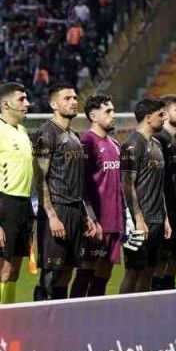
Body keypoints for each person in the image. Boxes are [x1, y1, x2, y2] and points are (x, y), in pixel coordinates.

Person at [32, 85, 101, 300]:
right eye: (67, 98)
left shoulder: (74, 136)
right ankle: (41, 316)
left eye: (75, 98)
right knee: (51, 274)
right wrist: (52, 216)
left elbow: (79, 181)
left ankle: (59, 317)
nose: (73, 101)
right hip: (57, 210)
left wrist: (87, 215)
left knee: (67, 273)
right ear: (54, 104)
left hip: (75, 212)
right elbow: (39, 177)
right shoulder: (47, 133)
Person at [0, 83, 30, 306]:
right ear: (5, 104)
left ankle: (7, 317)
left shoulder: (23, 131)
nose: (27, 103)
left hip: (24, 204)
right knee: (2, 269)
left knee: (14, 270)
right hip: (4, 203)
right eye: (21, 99)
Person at [70, 95, 122, 297]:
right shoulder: (87, 142)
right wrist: (91, 218)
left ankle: (94, 313)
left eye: (113, 110)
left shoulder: (115, 144)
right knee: (86, 272)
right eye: (108, 111)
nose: (113, 115)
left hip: (114, 221)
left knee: (104, 275)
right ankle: (74, 312)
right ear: (93, 116)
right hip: (97, 222)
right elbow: (81, 185)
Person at [118, 98, 169, 294]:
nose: (164, 118)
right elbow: (127, 184)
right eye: (160, 114)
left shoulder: (157, 144)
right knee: (133, 271)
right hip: (135, 222)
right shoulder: (132, 144)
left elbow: (159, 184)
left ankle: (142, 310)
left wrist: (165, 218)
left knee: (149, 269)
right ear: (148, 117)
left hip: (156, 219)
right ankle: (123, 310)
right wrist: (138, 219)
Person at [152, 95, 176, 290]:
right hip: (166, 213)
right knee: (161, 260)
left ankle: (169, 297)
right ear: (165, 115)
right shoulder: (159, 140)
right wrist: (164, 214)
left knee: (175, 258)